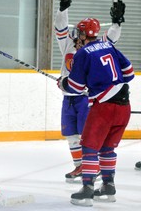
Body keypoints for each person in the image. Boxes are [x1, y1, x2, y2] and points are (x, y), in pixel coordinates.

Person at [57, 17, 134, 207]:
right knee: (108, 148)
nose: (77, 37)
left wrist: (63, 83)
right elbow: (130, 72)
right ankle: (108, 187)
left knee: (90, 147)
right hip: (124, 107)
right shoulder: (109, 46)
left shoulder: (82, 53)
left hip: (104, 107)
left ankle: (87, 190)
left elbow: (75, 86)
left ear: (83, 34)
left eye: (79, 33)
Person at [54, 0, 126, 182]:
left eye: (80, 32)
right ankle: (80, 167)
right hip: (68, 98)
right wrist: (63, 8)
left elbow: (110, 39)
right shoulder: (68, 44)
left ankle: (93, 168)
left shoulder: (96, 47)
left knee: (87, 137)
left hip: (86, 99)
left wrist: (117, 24)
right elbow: (60, 28)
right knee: (71, 135)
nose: (76, 34)